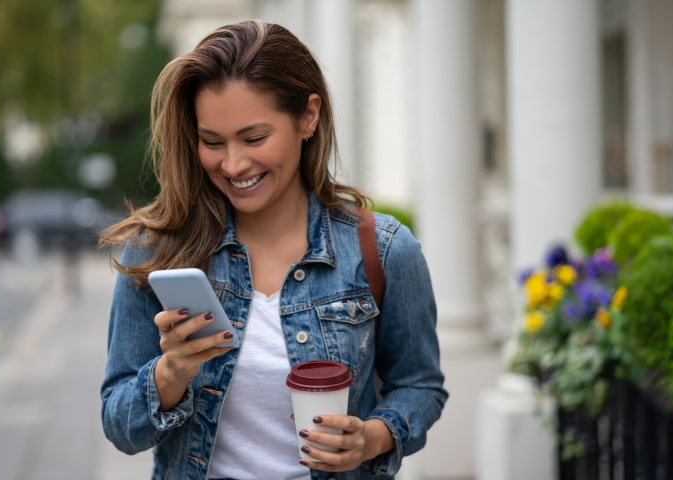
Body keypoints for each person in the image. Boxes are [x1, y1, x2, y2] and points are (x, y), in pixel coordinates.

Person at [99, 19, 447, 480]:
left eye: (254, 138)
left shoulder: (382, 251)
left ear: (308, 116)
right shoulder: (156, 253)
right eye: (212, 142)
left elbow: (420, 386)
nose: (234, 164)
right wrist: (170, 373)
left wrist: (372, 438)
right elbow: (121, 428)